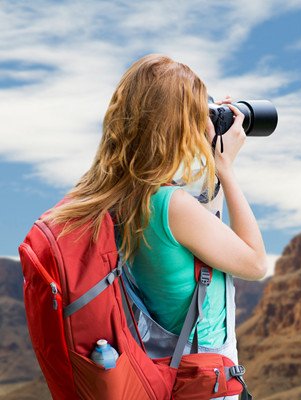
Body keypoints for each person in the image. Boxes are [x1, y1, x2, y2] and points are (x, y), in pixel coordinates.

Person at [44, 54, 267, 399]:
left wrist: (210, 159)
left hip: (162, 372)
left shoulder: (120, 197)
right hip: (204, 382)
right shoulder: (173, 206)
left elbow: (204, 241)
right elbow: (255, 263)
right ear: (176, 124)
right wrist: (225, 168)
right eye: (195, 115)